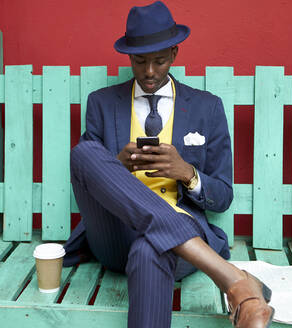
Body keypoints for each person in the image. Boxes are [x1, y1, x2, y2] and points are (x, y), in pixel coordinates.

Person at [63, 1, 274, 327]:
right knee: (84, 153)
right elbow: (90, 175)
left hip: (180, 236)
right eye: (139, 61)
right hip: (116, 233)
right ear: (129, 57)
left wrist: (187, 174)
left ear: (174, 54)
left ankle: (232, 280)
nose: (149, 72)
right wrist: (116, 165)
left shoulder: (208, 108)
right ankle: (233, 278)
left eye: (159, 61)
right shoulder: (101, 104)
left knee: (151, 249)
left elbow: (223, 194)